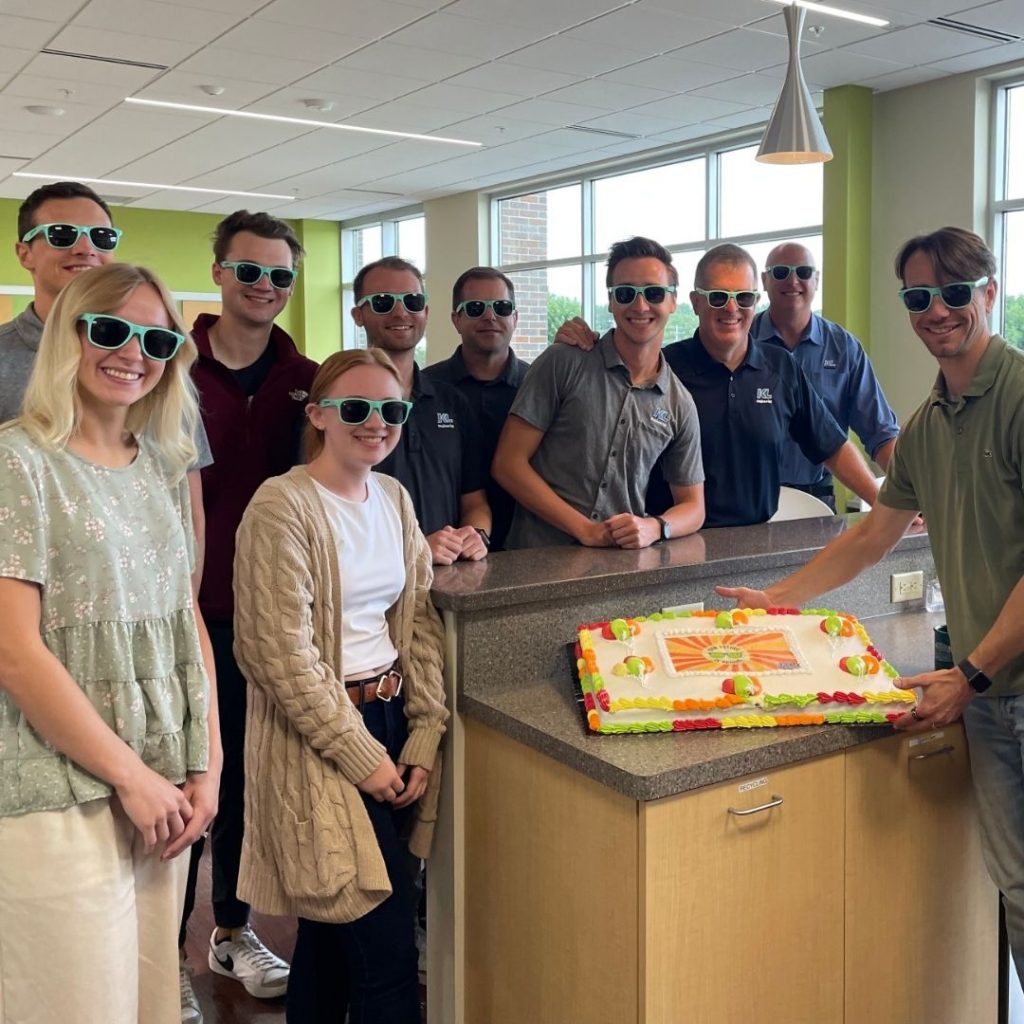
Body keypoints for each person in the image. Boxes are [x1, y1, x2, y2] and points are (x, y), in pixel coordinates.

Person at [716, 226, 1024, 983]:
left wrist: (970, 675)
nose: (936, 311)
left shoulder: (1019, 398)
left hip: (993, 682)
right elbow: (871, 536)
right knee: (1018, 889)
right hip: (989, 695)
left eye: (954, 292)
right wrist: (777, 600)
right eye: (919, 297)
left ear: (989, 293)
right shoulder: (927, 424)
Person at [0, 263, 221, 1024]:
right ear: (69, 335)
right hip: (59, 783)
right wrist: (129, 776)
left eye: (156, 339)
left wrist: (208, 763)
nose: (133, 352)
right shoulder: (18, 461)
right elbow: (14, 651)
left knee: (150, 1003)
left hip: (164, 783)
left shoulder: (162, 463)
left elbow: (185, 620)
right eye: (110, 330)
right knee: (75, 1005)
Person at [233, 348, 449, 1024]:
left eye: (391, 410)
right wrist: (362, 758)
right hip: (318, 741)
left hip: (390, 722)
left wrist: (425, 728)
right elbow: (280, 658)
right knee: (386, 955)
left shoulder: (394, 497)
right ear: (319, 415)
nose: (376, 423)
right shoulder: (282, 506)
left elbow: (416, 621)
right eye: (356, 408)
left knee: (329, 943)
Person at [179, 211, 315, 1019]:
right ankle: (162, 957)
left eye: (280, 275)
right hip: (187, 612)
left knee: (249, 786)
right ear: (220, 274)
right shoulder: (169, 365)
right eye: (249, 270)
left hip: (277, 617)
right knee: (183, 781)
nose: (265, 286)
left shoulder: (309, 378)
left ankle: (230, 931)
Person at [556, 243, 880, 526]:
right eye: (718, 297)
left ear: (756, 301)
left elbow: (832, 447)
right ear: (696, 302)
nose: (731, 308)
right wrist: (579, 347)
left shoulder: (781, 368)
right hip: (671, 540)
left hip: (759, 539)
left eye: (744, 297)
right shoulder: (665, 368)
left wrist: (884, 507)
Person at [0, 180, 212, 582]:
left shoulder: (157, 371)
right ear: (24, 252)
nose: (85, 248)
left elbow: (188, 518)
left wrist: (185, 610)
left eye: (101, 236)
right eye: (62, 234)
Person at [493, 236, 705, 549]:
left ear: (673, 301)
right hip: (536, 558)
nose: (640, 305)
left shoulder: (679, 403)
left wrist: (655, 527)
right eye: (626, 293)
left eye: (654, 293)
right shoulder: (563, 362)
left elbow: (694, 507)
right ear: (611, 301)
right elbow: (508, 464)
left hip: (617, 564)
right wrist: (586, 530)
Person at [352, 257, 491, 565]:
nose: (400, 312)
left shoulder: (452, 402)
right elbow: (325, 513)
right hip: (370, 582)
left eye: (412, 301)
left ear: (426, 312)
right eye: (383, 302)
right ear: (358, 315)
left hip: (449, 577)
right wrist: (414, 550)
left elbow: (475, 501)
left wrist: (477, 534)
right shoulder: (343, 406)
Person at [753, 241, 899, 509]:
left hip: (816, 500)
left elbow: (880, 432)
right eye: (781, 272)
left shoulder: (844, 349)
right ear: (764, 280)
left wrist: (916, 494)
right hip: (750, 498)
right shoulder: (742, 342)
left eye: (804, 272)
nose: (793, 281)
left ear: (816, 280)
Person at [425, 266, 529, 550]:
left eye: (501, 307)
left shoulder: (540, 386)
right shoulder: (426, 389)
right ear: (456, 320)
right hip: (446, 546)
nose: (490, 316)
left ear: (515, 318)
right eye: (475, 308)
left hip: (530, 544)